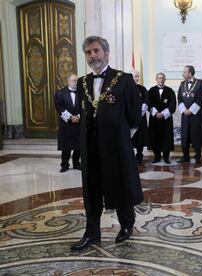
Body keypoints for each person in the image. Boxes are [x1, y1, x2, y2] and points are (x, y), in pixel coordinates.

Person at [71, 36, 143, 251]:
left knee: (119, 184)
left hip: (116, 146)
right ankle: (92, 233)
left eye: (96, 51)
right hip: (91, 146)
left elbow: (135, 114)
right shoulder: (83, 82)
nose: (93, 55)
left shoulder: (123, 79)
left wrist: (122, 137)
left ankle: (127, 225)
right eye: (88, 53)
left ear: (106, 53)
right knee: (91, 189)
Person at [177, 65, 202, 164]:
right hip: (185, 115)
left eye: (185, 72)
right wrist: (184, 110)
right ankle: (185, 156)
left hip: (195, 115)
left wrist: (191, 110)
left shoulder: (200, 83)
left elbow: (200, 98)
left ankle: (198, 156)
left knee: (196, 135)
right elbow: (179, 98)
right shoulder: (182, 84)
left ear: (190, 73)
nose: (183, 74)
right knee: (185, 136)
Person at [147, 73, 177, 164]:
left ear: (165, 79)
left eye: (163, 78)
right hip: (155, 119)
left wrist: (163, 114)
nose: (161, 80)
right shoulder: (151, 91)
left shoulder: (170, 91)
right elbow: (148, 103)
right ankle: (157, 157)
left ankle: (166, 157)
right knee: (155, 137)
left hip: (166, 120)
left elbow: (172, 105)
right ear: (156, 79)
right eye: (159, 78)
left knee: (166, 138)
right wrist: (156, 113)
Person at [54, 74, 81, 172]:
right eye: (74, 80)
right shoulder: (60, 93)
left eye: (77, 80)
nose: (76, 82)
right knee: (66, 146)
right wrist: (70, 117)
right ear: (68, 81)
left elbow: (85, 106)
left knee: (79, 145)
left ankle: (77, 163)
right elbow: (59, 107)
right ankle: (64, 165)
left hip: (79, 123)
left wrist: (78, 117)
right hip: (66, 124)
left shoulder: (82, 93)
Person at [131, 70, 148, 165]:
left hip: (140, 118)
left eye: (138, 76)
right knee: (130, 137)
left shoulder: (142, 89)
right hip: (130, 119)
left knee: (140, 138)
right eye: (135, 76)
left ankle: (139, 155)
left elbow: (145, 102)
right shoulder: (125, 88)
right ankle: (130, 156)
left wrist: (139, 114)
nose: (137, 78)